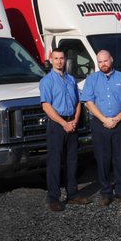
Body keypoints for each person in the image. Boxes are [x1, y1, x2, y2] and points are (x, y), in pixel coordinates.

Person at [80, 50, 121, 206]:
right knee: (102, 159)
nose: (103, 64)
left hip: (119, 124)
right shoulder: (91, 79)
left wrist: (117, 118)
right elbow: (89, 102)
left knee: (119, 158)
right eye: (99, 62)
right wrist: (104, 119)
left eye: (105, 61)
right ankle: (106, 192)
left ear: (111, 59)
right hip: (100, 124)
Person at [40, 48, 89, 212]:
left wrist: (75, 120)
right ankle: (53, 198)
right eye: (56, 58)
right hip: (57, 125)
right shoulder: (47, 81)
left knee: (72, 161)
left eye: (62, 58)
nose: (59, 61)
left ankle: (73, 194)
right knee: (55, 162)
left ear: (65, 60)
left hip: (72, 123)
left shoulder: (71, 79)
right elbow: (46, 106)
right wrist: (63, 123)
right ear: (51, 60)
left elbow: (77, 102)